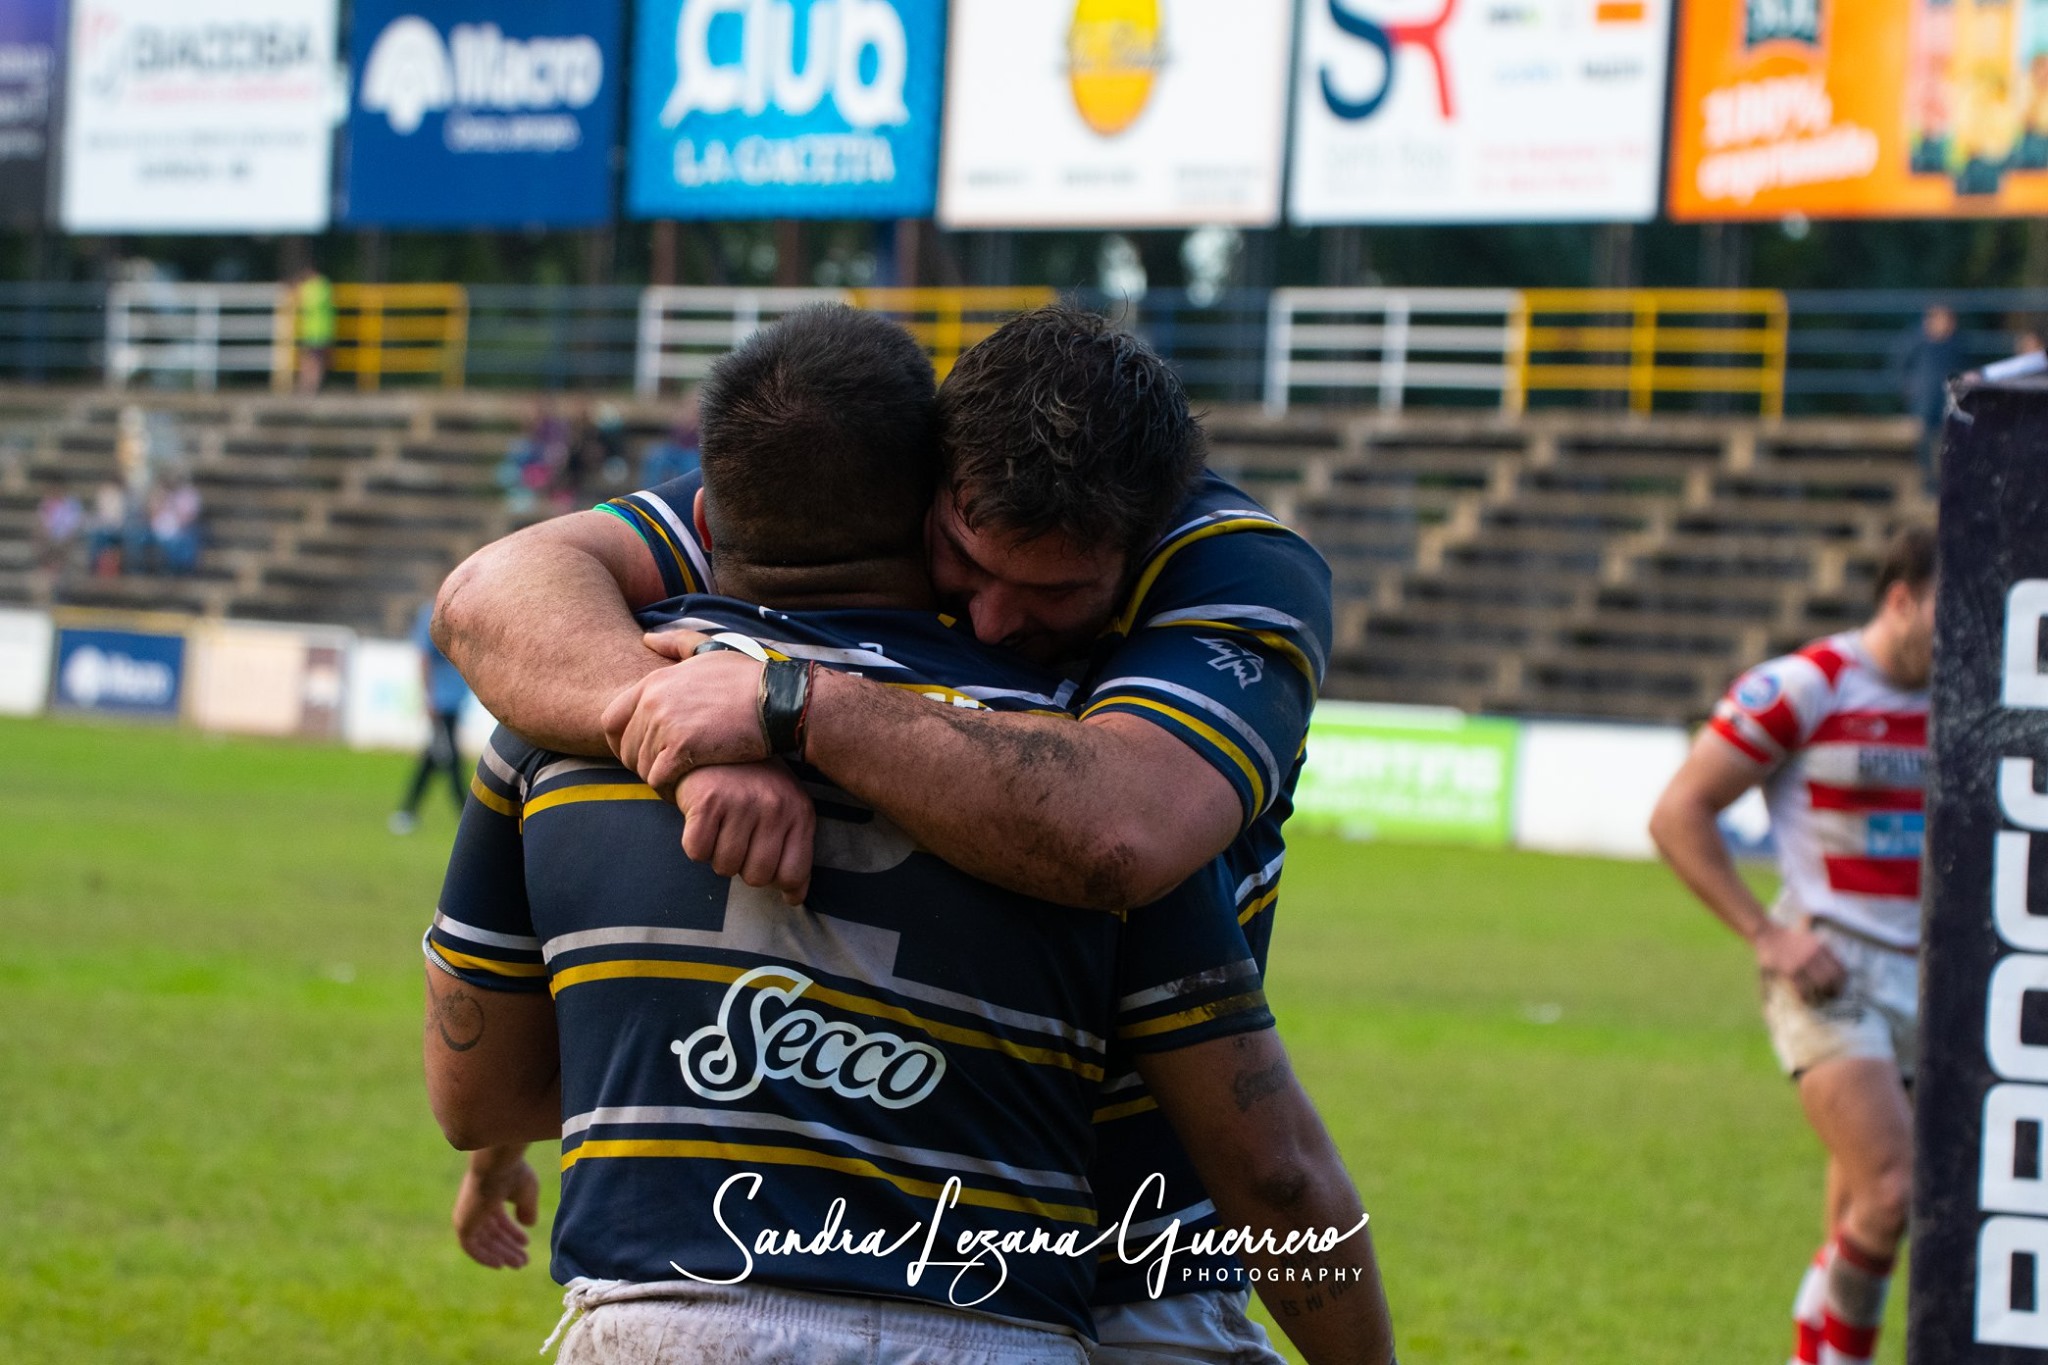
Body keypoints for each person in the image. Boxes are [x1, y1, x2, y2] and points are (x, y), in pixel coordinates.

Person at [424, 306, 1391, 1363]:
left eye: (1052, 594)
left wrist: (788, 704)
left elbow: (1118, 830)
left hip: (1137, 1244)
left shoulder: (1235, 567)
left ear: (1144, 543)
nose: (987, 624)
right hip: (951, 1247)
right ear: (931, 480)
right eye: (963, 563)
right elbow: (492, 591)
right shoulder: (879, 475)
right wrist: (686, 738)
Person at [1649, 527, 1934, 1365]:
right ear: (1901, 596)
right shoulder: (1805, 685)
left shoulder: (1972, 690)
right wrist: (1766, 934)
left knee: (1860, 1219)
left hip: (1937, 988)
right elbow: (1678, 812)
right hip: (1830, 973)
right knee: (1895, 1190)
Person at [390, 601, 470, 835]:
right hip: (442, 702)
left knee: (434, 757)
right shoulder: (433, 615)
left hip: (453, 701)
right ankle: (466, 816)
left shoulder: (465, 612)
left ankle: (407, 812)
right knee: (451, 758)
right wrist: (429, 696)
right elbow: (424, 656)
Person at [1894, 304, 1964, 490]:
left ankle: (1942, 484)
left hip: (1945, 405)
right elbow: (1901, 368)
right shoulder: (1916, 342)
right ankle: (1928, 484)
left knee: (1946, 441)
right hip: (1924, 404)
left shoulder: (1954, 345)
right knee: (1924, 441)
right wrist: (1909, 392)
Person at [291, 264, 335, 394]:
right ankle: (307, 385)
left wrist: (297, 292)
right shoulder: (321, 287)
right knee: (309, 359)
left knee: (316, 360)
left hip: (320, 331)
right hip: (311, 331)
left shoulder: (322, 287)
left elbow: (307, 302)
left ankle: (312, 386)